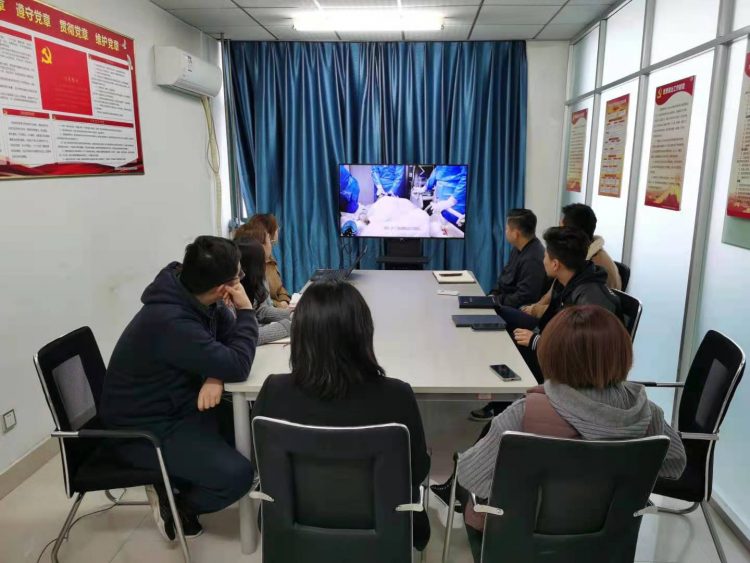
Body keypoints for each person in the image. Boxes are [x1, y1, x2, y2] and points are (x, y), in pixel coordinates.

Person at [455, 306, 686, 562]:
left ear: (551, 354)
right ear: (622, 355)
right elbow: (675, 465)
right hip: (607, 548)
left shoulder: (523, 414)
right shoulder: (649, 414)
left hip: (523, 547)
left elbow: (469, 476)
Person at [250, 280, 431, 551]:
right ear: (364, 332)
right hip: (384, 527)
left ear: (300, 335)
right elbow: (416, 471)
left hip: (291, 524)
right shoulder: (397, 395)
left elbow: (261, 463)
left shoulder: (274, 391)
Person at [100, 236, 258, 542]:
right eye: (238, 276)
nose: (240, 280)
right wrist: (246, 311)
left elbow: (227, 345)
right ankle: (177, 506)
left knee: (254, 431)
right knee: (238, 476)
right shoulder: (170, 321)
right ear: (222, 288)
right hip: (144, 429)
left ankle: (180, 478)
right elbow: (238, 364)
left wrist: (215, 374)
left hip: (179, 406)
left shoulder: (190, 292)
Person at [502, 226, 621, 382]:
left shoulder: (591, 301)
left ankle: (509, 394)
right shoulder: (566, 280)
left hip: (571, 368)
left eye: (545, 256)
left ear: (555, 264)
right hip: (553, 338)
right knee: (501, 315)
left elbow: (581, 352)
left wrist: (537, 341)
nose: (543, 261)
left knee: (510, 346)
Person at [471, 209, 548, 422]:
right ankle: (496, 396)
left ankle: (501, 402)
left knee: (489, 332)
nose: (505, 231)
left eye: (507, 228)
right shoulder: (518, 250)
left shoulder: (533, 258)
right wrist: (493, 296)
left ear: (516, 233)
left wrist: (496, 302)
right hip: (506, 305)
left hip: (524, 314)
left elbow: (526, 296)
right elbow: (504, 280)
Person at [524, 203, 621, 318]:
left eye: (561, 228)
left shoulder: (590, 268)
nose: (559, 233)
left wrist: (535, 311)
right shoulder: (574, 259)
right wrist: (532, 309)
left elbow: (572, 314)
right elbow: (551, 298)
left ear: (572, 233)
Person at [236, 238, 292, 344]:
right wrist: (289, 325)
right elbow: (248, 336)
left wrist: (293, 315)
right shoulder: (232, 294)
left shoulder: (250, 283)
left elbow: (260, 311)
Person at [234, 214, 291, 309]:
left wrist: (285, 301)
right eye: (269, 241)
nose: (278, 229)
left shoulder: (270, 260)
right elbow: (261, 308)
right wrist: (280, 306)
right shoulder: (253, 268)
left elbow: (280, 288)